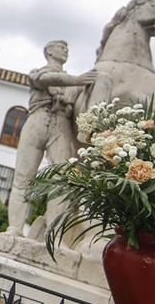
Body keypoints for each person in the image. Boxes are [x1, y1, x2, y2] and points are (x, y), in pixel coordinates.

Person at [5, 40, 97, 237]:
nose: (65, 51)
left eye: (67, 48)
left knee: (61, 179)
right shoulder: (38, 73)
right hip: (37, 120)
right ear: (49, 52)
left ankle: (53, 234)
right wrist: (77, 80)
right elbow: (47, 79)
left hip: (61, 125)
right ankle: (15, 228)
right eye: (61, 47)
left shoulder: (75, 85)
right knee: (22, 179)